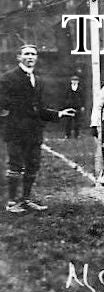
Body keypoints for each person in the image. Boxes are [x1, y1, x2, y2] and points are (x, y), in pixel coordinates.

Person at [0, 45, 76, 213]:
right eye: (26, 54)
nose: (30, 57)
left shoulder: (38, 80)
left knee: (33, 165)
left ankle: (26, 199)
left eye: (33, 54)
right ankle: (12, 203)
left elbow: (39, 108)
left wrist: (59, 114)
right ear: (19, 57)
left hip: (34, 130)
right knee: (15, 165)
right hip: (16, 130)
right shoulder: (8, 78)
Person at [62, 74, 85, 139]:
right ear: (71, 81)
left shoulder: (80, 89)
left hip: (77, 106)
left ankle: (77, 135)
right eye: (73, 80)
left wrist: (82, 106)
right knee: (68, 122)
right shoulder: (68, 88)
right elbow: (65, 97)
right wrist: (66, 105)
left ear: (78, 81)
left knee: (77, 122)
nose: (74, 82)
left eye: (76, 80)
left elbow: (83, 98)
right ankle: (67, 135)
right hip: (69, 106)